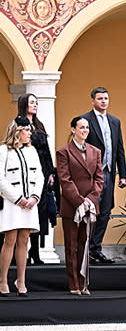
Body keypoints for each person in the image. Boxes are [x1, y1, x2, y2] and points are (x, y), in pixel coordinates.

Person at [56, 117, 104, 295]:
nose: (85, 130)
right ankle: (73, 284)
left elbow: (99, 179)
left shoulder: (95, 151)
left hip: (90, 206)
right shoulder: (64, 152)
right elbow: (64, 179)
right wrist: (79, 201)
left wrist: (90, 200)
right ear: (73, 129)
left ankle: (84, 284)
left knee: (85, 246)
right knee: (71, 245)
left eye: (87, 128)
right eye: (81, 127)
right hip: (72, 205)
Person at [82, 87, 126, 264]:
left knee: (105, 211)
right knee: (91, 210)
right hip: (92, 175)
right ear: (92, 100)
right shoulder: (85, 120)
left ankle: (96, 248)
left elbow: (119, 149)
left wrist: (123, 174)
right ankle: (85, 249)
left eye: (106, 98)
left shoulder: (115, 122)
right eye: (100, 98)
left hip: (109, 173)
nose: (103, 101)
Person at [0, 117, 43, 296]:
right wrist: (18, 198)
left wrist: (34, 197)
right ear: (17, 131)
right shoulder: (3, 150)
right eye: (27, 130)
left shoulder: (31, 150)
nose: (30, 133)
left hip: (30, 204)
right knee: (10, 240)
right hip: (11, 203)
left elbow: (39, 176)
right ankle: (2, 280)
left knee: (24, 240)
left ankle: (21, 280)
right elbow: (0, 179)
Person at [18, 93, 58, 265]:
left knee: (40, 214)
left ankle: (35, 253)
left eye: (36, 102)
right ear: (24, 104)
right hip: (26, 175)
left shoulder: (39, 125)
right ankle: (21, 254)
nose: (35, 105)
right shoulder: (18, 123)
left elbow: (47, 151)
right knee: (25, 215)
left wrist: (50, 173)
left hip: (41, 175)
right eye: (31, 102)